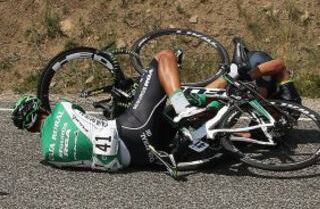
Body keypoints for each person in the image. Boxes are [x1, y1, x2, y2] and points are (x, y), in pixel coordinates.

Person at [11, 43, 301, 172]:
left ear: (29, 128)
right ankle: (185, 99)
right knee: (163, 57)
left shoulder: (49, 154)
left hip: (141, 159)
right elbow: (81, 112)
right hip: (130, 129)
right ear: (41, 109)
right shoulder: (60, 110)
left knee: (199, 117)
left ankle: (213, 110)